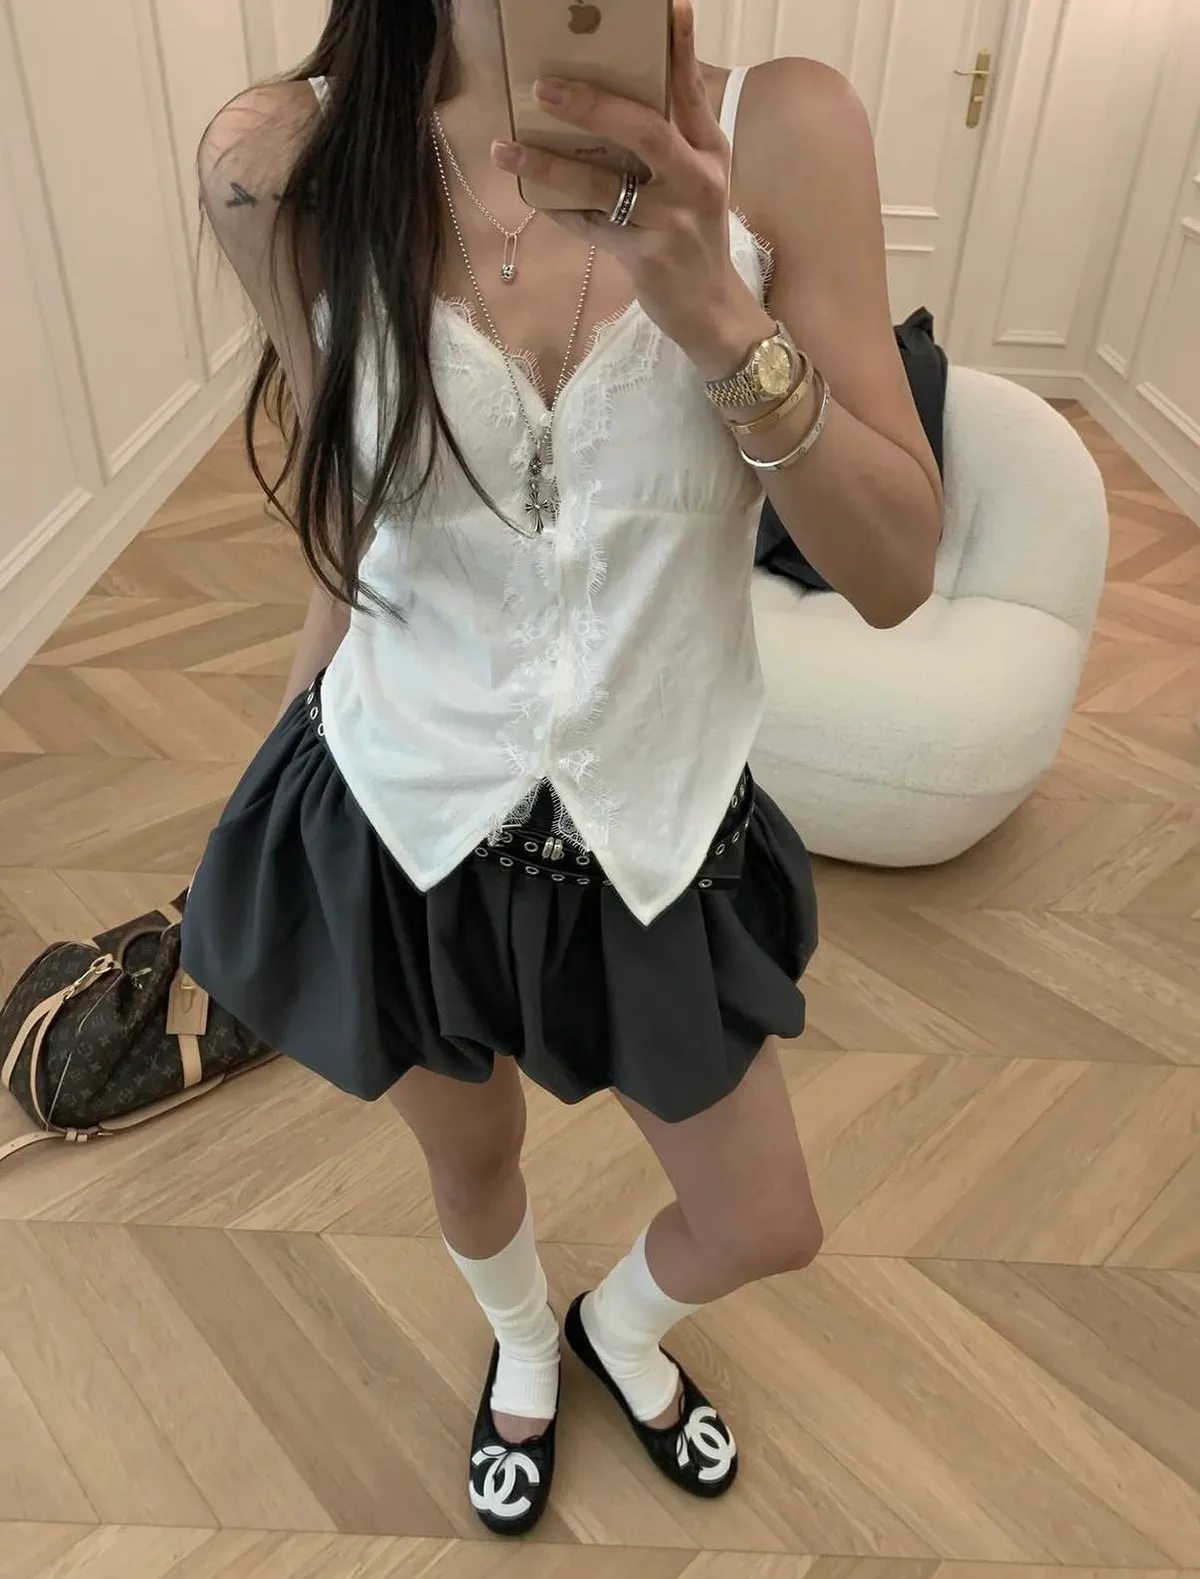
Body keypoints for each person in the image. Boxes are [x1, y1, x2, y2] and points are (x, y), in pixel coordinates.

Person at [184, 0, 942, 1536]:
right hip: (400, 815)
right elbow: (346, 512)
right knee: (472, 1169)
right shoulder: (282, 158)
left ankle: (619, 1326)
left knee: (765, 1218)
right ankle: (526, 1341)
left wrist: (720, 317)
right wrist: (278, 780)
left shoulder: (785, 130)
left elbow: (895, 571)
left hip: (655, 824)